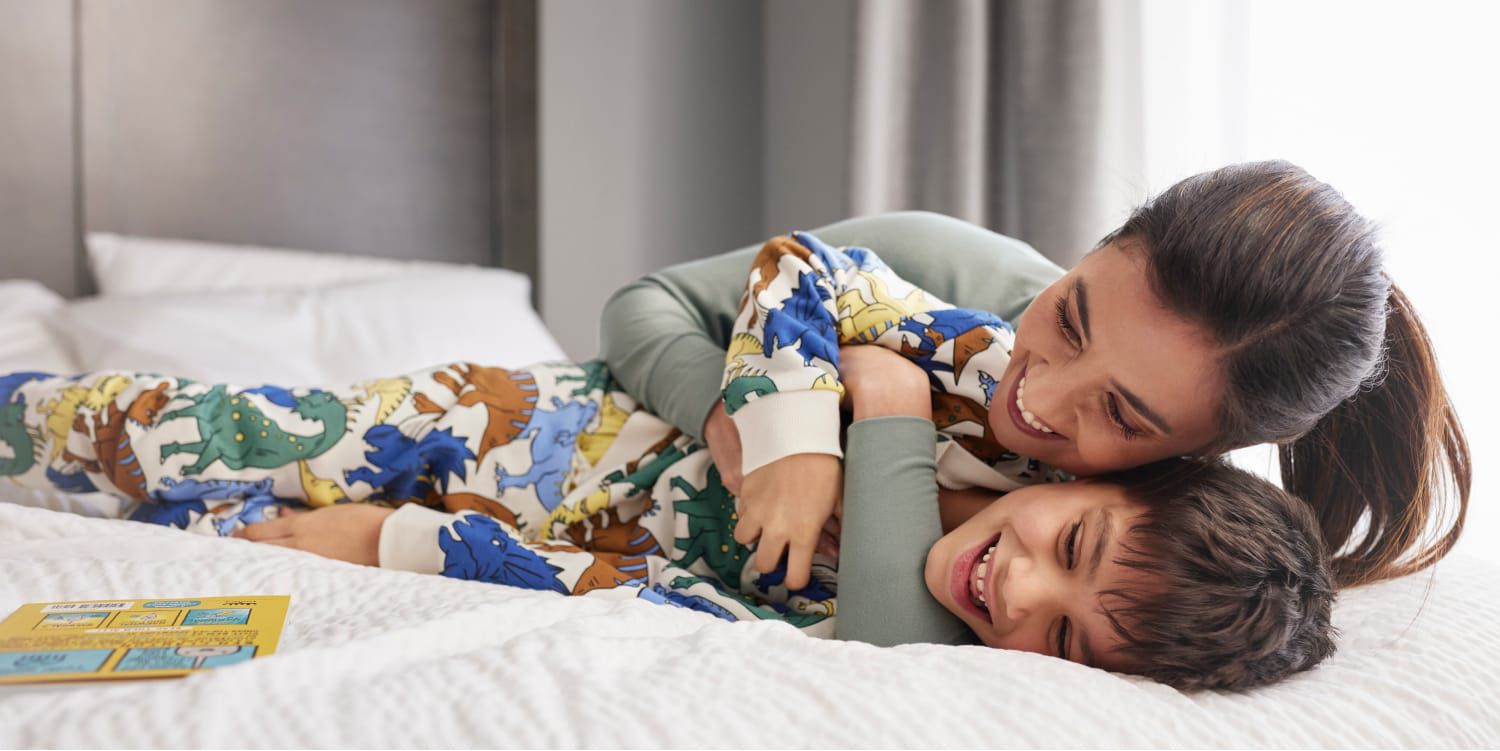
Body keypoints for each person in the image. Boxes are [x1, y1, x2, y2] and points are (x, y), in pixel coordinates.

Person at [0, 344, 1334, 691]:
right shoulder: (974, 398)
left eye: (1069, 642)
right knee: (176, 431)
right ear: (1103, 476)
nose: (1020, 589)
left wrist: (400, 543)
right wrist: (827, 421)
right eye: (1072, 545)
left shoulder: (881, 634)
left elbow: (636, 602)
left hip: (500, 535)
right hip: (510, 421)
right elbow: (796, 273)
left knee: (207, 548)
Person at [602, 160, 1471, 599]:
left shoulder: (1132, 545)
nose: (1041, 399)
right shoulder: (945, 268)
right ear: (1098, 245)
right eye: (1070, 318)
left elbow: (898, 627)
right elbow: (649, 303)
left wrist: (890, 408)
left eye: (1123, 416)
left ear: (1214, 450)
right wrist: (744, 424)